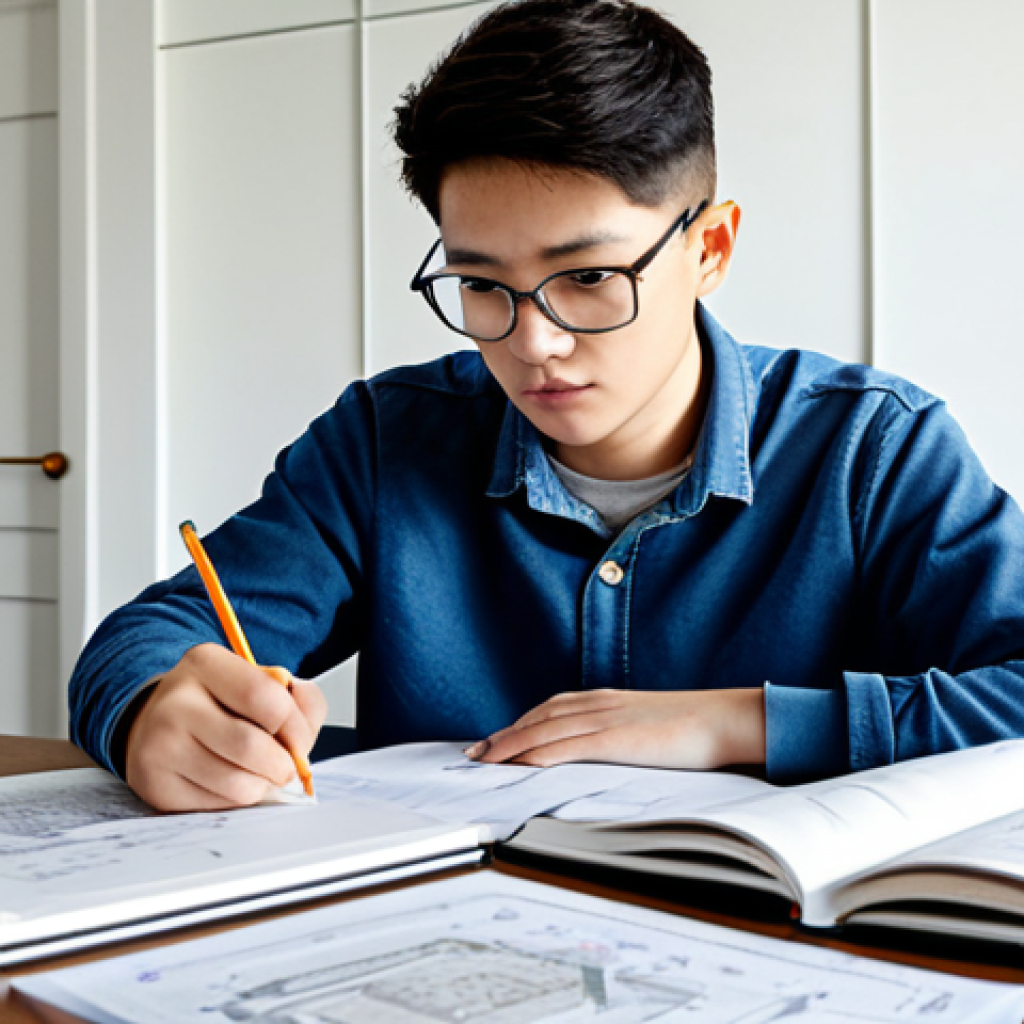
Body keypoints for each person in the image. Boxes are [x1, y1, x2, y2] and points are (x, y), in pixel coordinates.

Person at [70, 0, 1024, 812]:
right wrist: (157, 707)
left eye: (591, 277)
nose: (533, 343)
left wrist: (739, 721)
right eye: (481, 285)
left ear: (713, 249)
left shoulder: (872, 447)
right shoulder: (384, 440)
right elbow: (145, 641)